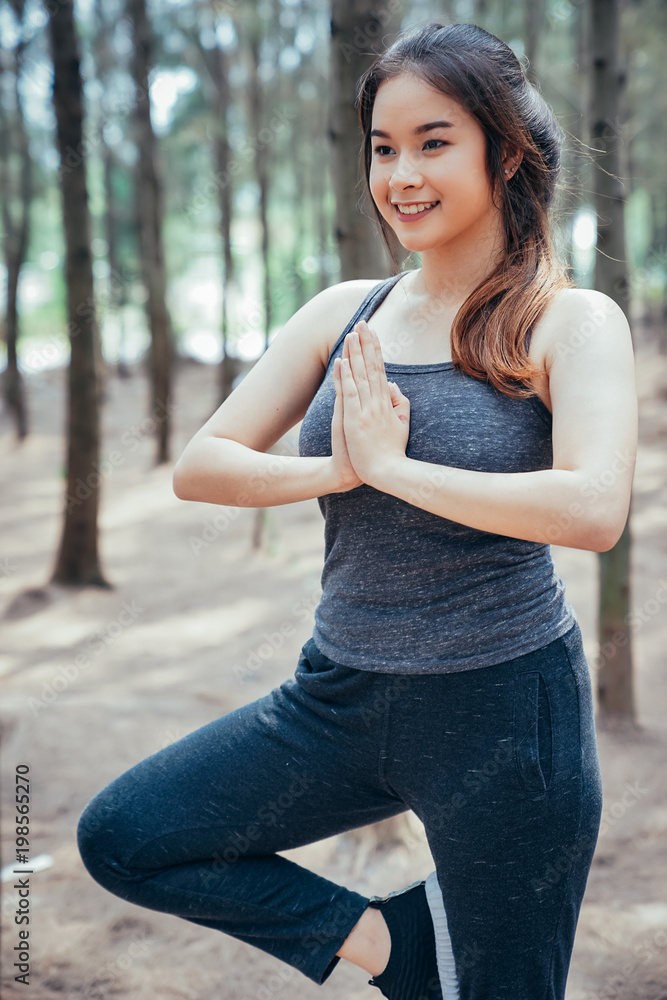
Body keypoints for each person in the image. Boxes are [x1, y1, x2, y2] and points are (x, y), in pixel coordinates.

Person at [76, 21, 638, 1000]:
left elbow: (592, 509)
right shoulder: (344, 310)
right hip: (336, 696)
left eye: (433, 141)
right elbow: (202, 466)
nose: (400, 174)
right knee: (128, 834)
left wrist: (394, 466)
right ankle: (398, 946)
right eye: (383, 147)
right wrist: (337, 472)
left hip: (503, 716)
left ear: (505, 152)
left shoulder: (567, 321)